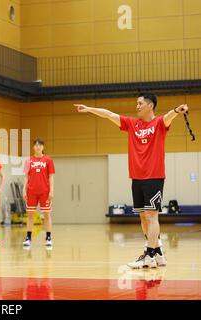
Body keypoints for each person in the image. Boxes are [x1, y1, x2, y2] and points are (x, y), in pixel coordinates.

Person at [75, 93, 188, 268]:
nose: (137, 106)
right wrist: (89, 109)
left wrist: (176, 110)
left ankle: (149, 255)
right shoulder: (132, 124)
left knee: (152, 215)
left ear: (150, 105)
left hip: (154, 176)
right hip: (137, 177)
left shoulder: (158, 123)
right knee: (143, 216)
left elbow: (168, 117)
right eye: (137, 103)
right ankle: (157, 252)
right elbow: (109, 114)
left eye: (140, 103)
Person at [22, 138, 55, 248]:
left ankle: (49, 237)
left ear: (43, 147)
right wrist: (24, 189)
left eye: (40, 145)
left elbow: (51, 177)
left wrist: (51, 190)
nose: (38, 147)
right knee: (30, 215)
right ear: (33, 147)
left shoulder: (48, 160)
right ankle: (28, 237)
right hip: (31, 191)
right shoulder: (28, 161)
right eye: (36, 145)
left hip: (45, 192)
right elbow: (26, 177)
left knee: (46, 214)